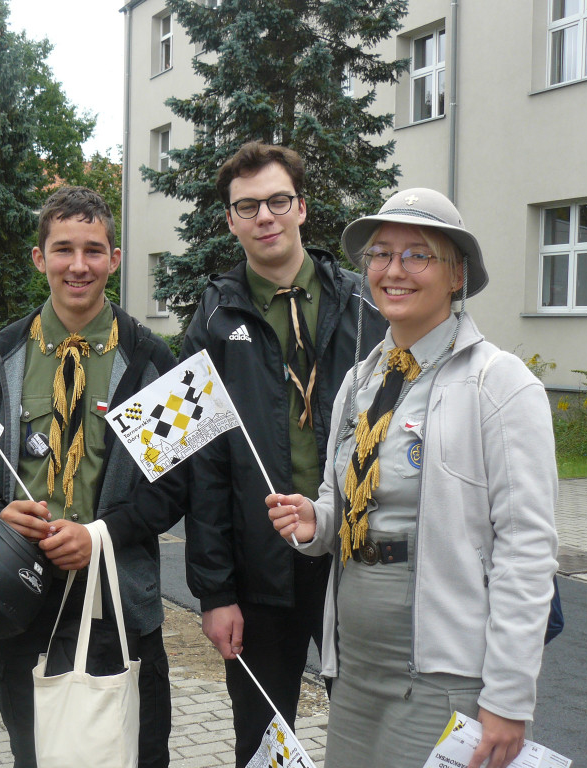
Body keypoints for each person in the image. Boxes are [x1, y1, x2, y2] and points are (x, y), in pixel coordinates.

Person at [267, 188, 559, 768]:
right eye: (380, 254)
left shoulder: (499, 386)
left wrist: (507, 695)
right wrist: (316, 520)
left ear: (457, 275)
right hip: (352, 666)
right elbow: (344, 504)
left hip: (441, 675)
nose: (393, 270)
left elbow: (527, 552)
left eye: (417, 255)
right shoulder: (360, 383)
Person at [0, 186, 185, 768]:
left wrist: (100, 534)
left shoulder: (153, 360)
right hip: (21, 597)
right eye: (63, 249)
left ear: (115, 259)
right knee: (37, 753)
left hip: (122, 600)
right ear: (39, 257)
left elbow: (175, 489)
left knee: (139, 754)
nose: (79, 266)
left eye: (94, 250)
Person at [179, 141, 386, 765]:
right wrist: (214, 594)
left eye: (277, 201)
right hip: (261, 566)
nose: (264, 217)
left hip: (359, 556)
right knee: (265, 737)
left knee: (373, 723)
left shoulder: (366, 302)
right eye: (248, 206)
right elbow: (202, 468)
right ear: (231, 220)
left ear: (301, 207)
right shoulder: (212, 318)